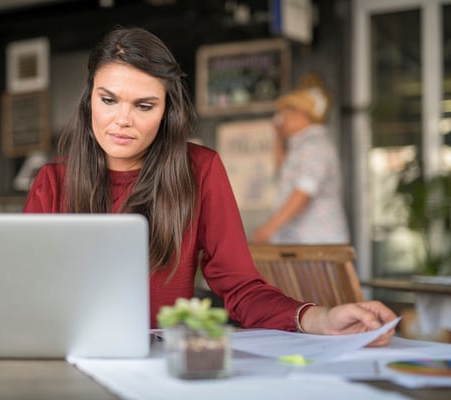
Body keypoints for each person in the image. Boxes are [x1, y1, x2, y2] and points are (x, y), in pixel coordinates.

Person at [23, 26, 396, 346]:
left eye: (144, 105)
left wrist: (320, 318)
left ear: (166, 110)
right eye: (108, 100)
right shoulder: (52, 183)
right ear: (89, 101)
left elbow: (241, 288)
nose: (122, 120)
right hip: (68, 358)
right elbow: (26, 295)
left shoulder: (201, 171)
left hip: (166, 366)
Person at [252, 76, 350, 244]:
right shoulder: (301, 146)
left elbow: (304, 191)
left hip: (317, 245)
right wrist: (278, 137)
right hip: (302, 244)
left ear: (302, 114)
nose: (282, 118)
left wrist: (268, 229)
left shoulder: (315, 145)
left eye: (286, 112)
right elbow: (284, 170)